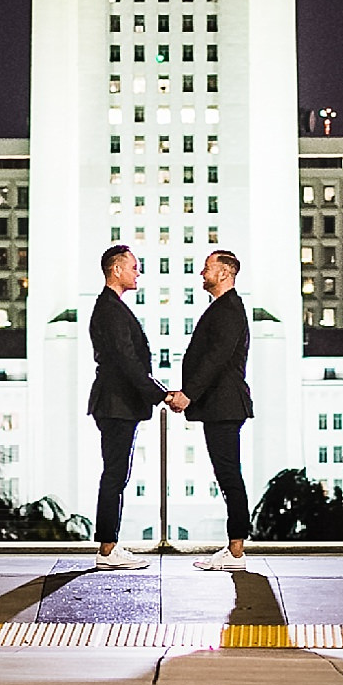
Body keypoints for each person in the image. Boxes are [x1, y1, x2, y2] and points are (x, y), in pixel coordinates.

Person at [169, 249, 254, 570]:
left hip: (224, 404)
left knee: (229, 474)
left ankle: (235, 551)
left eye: (207, 269)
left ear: (225, 273)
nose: (202, 274)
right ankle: (234, 549)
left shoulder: (229, 309)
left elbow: (217, 357)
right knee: (228, 473)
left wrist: (189, 394)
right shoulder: (224, 308)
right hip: (220, 404)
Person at [85, 242, 162, 570]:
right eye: (134, 267)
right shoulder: (110, 309)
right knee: (115, 474)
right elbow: (126, 361)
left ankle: (109, 545)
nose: (138, 272)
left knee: (116, 473)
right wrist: (159, 393)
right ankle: (107, 549)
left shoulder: (110, 307)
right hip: (116, 403)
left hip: (117, 402)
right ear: (116, 269)